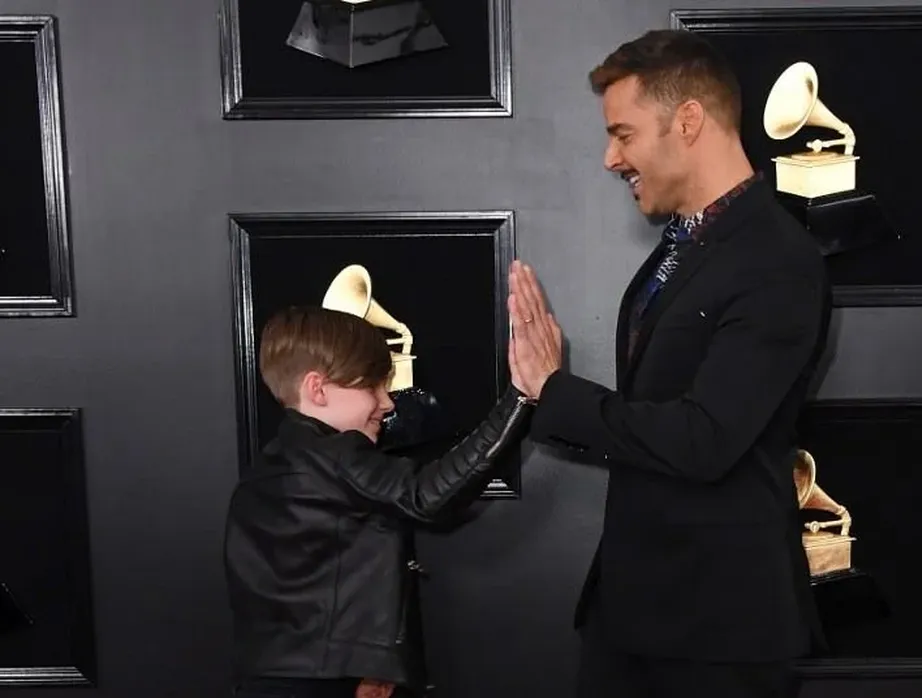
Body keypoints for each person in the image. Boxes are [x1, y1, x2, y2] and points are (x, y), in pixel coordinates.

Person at [506, 28, 832, 698]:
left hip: (715, 631)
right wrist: (547, 395)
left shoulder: (775, 259)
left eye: (623, 134)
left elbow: (705, 439)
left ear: (688, 120)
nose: (608, 158)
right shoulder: (686, 246)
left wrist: (558, 392)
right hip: (640, 616)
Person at [223, 305, 539, 698]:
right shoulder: (336, 456)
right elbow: (426, 496)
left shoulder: (272, 468)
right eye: (371, 386)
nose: (387, 402)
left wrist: (369, 669)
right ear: (317, 389)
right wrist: (522, 398)